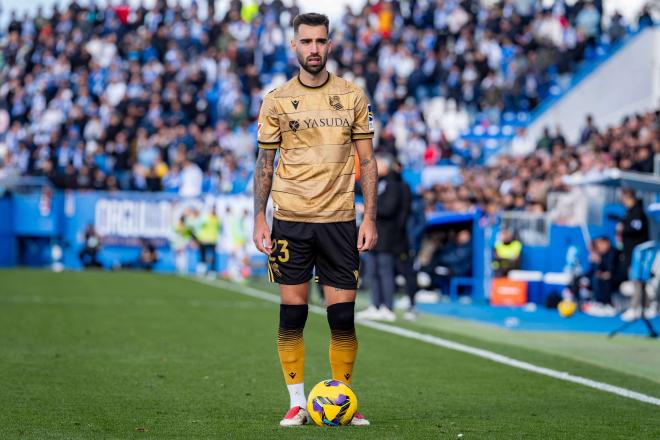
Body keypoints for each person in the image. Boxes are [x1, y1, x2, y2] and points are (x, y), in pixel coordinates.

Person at [252, 13, 377, 427]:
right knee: (294, 314)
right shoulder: (276, 99)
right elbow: (264, 163)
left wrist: (369, 217)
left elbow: (368, 161)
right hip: (290, 219)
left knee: (342, 318)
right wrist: (259, 217)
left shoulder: (353, 96)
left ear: (330, 44)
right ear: (294, 46)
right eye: (306, 42)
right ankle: (297, 403)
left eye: (320, 41)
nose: (314, 50)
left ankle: (343, 399)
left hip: (341, 220)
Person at [357, 153, 404, 322]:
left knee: (385, 271)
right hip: (375, 234)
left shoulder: (393, 184)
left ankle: (387, 306)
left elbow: (389, 209)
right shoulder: (380, 183)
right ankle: (376, 304)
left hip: (386, 235)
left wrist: (367, 210)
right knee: (372, 270)